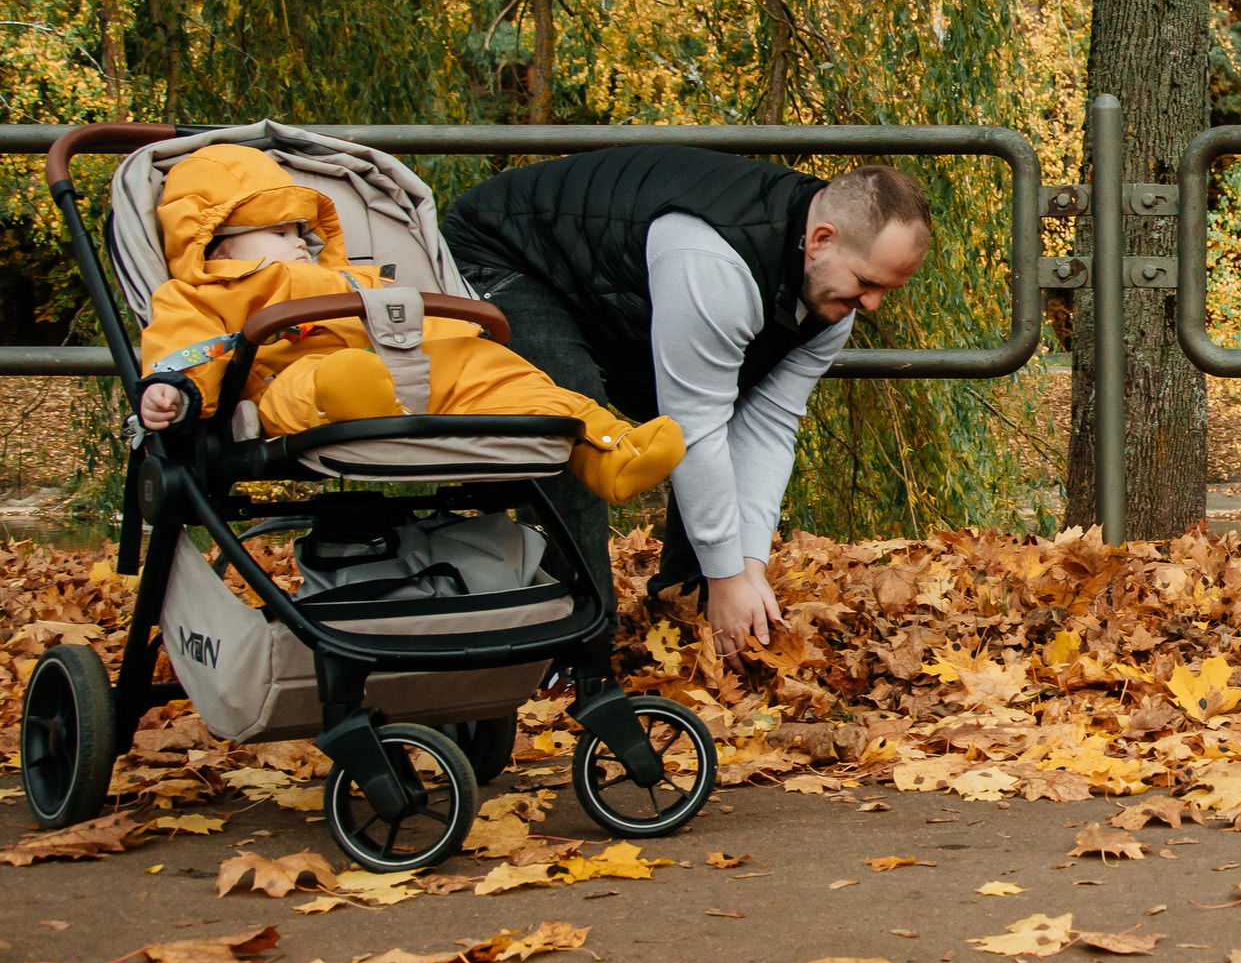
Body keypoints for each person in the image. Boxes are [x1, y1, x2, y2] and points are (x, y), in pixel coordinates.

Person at [441, 149, 931, 663]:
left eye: (886, 289)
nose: (873, 305)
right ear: (822, 239)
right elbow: (695, 427)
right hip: (506, 254)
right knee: (570, 427)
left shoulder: (833, 297)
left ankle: (687, 615)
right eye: (867, 283)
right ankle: (581, 652)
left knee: (721, 452)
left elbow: (768, 426)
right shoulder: (716, 261)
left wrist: (747, 568)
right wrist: (726, 578)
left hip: (610, 287)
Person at [133, 145, 685, 504]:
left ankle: (606, 447)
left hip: (404, 368)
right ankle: (355, 400)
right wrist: (171, 392)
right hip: (288, 383)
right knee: (325, 379)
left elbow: (419, 321)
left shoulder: (351, 277)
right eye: (281, 231)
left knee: (497, 369)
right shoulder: (196, 294)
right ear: (217, 240)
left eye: (303, 229)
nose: (300, 241)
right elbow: (181, 347)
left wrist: (461, 340)